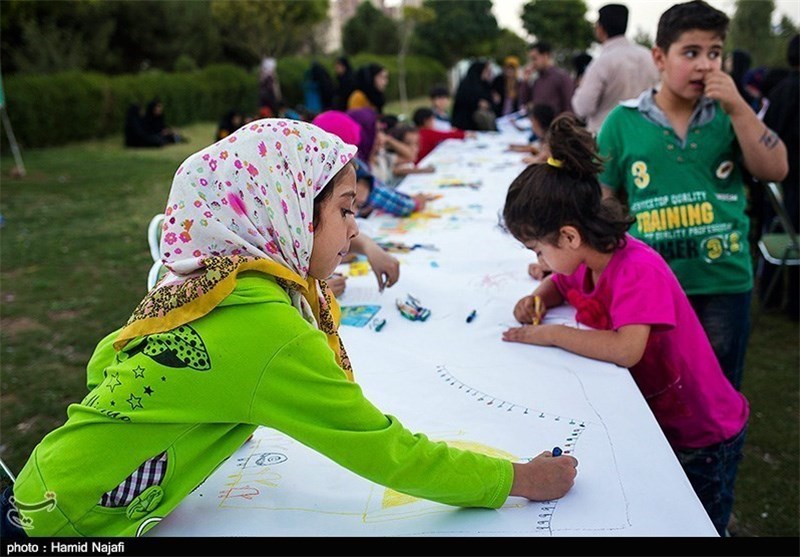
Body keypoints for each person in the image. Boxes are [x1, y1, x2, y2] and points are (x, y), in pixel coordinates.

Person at [6, 119, 578, 537]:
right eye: (346, 210)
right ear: (286, 211)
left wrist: (154, 444)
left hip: (44, 487)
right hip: (68, 528)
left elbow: (107, 362)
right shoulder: (266, 329)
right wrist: (518, 480)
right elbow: (386, 453)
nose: (354, 232)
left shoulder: (211, 282)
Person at [501, 113, 748, 537]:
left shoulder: (637, 268)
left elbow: (626, 348)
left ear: (569, 237)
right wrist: (537, 297)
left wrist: (551, 334)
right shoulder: (584, 261)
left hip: (702, 431)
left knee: (698, 519)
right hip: (662, 416)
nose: (539, 263)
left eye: (538, 250)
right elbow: (559, 282)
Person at [597, 0, 789, 391]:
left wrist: (737, 107)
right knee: (656, 388)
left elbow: (776, 168)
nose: (705, 65)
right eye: (691, 52)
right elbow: (602, 198)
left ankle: (717, 455)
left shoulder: (732, 114)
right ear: (660, 57)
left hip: (722, 280)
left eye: (714, 53)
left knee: (714, 391)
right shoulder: (623, 121)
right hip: (652, 284)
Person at [312, 110, 437, 218]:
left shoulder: (315, 173)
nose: (382, 137)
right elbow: (381, 195)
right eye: (376, 131)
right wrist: (413, 203)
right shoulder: (354, 169)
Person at [571, 4, 660, 134]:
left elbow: (583, 108)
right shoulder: (648, 56)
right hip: (646, 133)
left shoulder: (602, 62)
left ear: (600, 29)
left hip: (608, 137)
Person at [760, 34, 799, 320]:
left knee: (777, 229)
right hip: (793, 178)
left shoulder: (779, 91)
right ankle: (795, 304)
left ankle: (770, 296)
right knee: (792, 237)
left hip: (776, 181)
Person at [519, 42, 574, 118]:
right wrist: (525, 81)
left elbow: (569, 109)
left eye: (534, 59)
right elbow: (524, 102)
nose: (532, 63)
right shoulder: (538, 79)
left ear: (546, 56)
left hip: (555, 127)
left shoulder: (562, 77)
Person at [451, 60, 497, 131]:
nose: (487, 73)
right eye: (485, 70)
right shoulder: (467, 84)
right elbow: (463, 101)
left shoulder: (485, 84)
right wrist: (477, 103)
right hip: (466, 122)